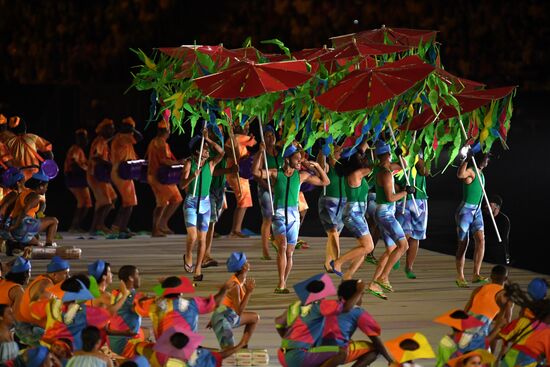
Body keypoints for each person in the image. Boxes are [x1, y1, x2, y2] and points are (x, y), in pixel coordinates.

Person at [252, 143, 330, 294]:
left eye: (301, 159)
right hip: (279, 214)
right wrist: (260, 153)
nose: (300, 161)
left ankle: (284, 281)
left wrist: (317, 167)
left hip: (294, 216)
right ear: (287, 159)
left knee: (289, 253)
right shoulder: (275, 173)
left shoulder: (301, 175)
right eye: (297, 159)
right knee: (281, 247)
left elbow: (325, 182)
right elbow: (255, 172)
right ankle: (281, 283)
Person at [274, 274, 363, 367]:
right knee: (341, 352)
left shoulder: (295, 305)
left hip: (283, 355)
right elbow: (347, 308)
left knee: (320, 352)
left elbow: (278, 322)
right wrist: (359, 290)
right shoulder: (319, 305)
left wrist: (292, 342)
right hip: (298, 357)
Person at [331, 143, 381, 286]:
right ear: (355, 161)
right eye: (361, 157)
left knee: (364, 248)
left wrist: (367, 140)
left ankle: (348, 275)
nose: (364, 158)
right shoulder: (356, 174)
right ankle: (337, 262)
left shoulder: (356, 173)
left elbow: (363, 153)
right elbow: (377, 166)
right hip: (353, 214)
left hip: (357, 213)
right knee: (368, 247)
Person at [369, 141, 412, 299]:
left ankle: (374, 283)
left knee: (390, 250)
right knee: (403, 245)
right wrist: (406, 192)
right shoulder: (385, 173)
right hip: (385, 213)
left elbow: (404, 166)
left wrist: (401, 154)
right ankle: (383, 277)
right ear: (388, 155)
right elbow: (390, 197)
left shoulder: (384, 168)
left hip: (385, 213)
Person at [180, 128, 224, 282]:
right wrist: (193, 176)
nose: (208, 151)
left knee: (202, 239)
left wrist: (209, 139)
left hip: (205, 203)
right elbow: (181, 184)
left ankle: (198, 268)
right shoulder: (189, 163)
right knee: (192, 236)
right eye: (205, 148)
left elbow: (222, 153)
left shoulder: (210, 164)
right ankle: (188, 253)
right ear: (198, 151)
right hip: (191, 202)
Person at [321, 279, 394, 367]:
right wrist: (389, 359)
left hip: (310, 349)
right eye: (362, 295)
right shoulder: (358, 312)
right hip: (334, 351)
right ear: (357, 296)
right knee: (375, 349)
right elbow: (375, 340)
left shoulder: (328, 304)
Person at [14, 256, 69, 346]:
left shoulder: (46, 281)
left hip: (26, 325)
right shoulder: (46, 285)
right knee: (60, 344)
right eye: (65, 274)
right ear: (54, 275)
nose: (68, 277)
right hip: (27, 329)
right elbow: (37, 311)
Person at [492, 282, 550, 366]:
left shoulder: (524, 319)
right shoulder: (547, 332)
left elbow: (500, 335)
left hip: (512, 356)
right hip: (529, 360)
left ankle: (499, 358)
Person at [209, 252, 259, 349]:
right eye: (246, 261)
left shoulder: (239, 280)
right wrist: (248, 292)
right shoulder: (235, 286)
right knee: (228, 351)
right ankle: (202, 351)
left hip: (227, 315)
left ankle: (243, 344)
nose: (248, 262)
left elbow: (222, 297)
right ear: (243, 267)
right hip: (223, 319)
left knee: (255, 318)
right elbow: (238, 312)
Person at [455, 150, 490, 287]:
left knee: (481, 240)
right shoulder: (471, 171)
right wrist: (466, 160)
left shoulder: (481, 174)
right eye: (486, 159)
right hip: (465, 212)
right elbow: (460, 175)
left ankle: (476, 274)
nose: (487, 161)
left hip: (477, 211)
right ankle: (460, 277)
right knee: (463, 244)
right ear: (480, 159)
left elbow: (479, 193)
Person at [145, 119, 183, 237]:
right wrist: (178, 163)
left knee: (177, 198)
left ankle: (162, 224)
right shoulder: (161, 143)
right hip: (158, 177)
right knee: (162, 203)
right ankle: (155, 229)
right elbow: (164, 160)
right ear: (167, 131)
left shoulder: (154, 141)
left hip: (164, 177)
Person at [462, 265, 513, 352]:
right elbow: (506, 323)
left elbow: (466, 310)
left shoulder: (479, 289)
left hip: (467, 327)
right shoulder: (505, 296)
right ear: (506, 278)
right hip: (482, 331)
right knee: (496, 329)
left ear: (491, 277)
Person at [395, 152, 429, 280]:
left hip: (420, 200)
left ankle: (409, 267)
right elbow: (392, 178)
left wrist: (418, 158)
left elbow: (425, 172)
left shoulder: (421, 154)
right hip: (404, 199)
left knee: (416, 236)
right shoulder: (397, 153)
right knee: (405, 233)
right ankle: (396, 255)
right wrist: (400, 189)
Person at [110, 117, 143, 237]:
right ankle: (120, 228)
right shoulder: (123, 137)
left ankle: (118, 227)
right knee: (129, 202)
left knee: (128, 202)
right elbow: (140, 137)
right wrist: (132, 129)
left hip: (123, 170)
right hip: (121, 171)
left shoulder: (122, 137)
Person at [9, 169, 59, 246]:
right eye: (46, 187)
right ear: (41, 186)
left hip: (17, 227)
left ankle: (14, 245)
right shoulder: (35, 197)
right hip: (22, 225)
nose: (46, 189)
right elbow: (24, 211)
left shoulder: (25, 191)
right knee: (54, 221)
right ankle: (49, 244)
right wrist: (15, 226)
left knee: (37, 245)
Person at [225, 122, 256, 238]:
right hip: (236, 173)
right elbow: (254, 142)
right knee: (243, 200)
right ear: (238, 128)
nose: (247, 129)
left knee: (244, 201)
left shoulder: (234, 138)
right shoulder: (238, 137)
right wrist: (251, 138)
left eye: (248, 127)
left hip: (238, 172)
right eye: (245, 127)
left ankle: (236, 229)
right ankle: (235, 230)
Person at [317, 144, 346, 273]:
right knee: (333, 232)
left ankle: (328, 263)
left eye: (341, 151)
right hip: (328, 202)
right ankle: (337, 262)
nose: (341, 153)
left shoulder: (344, 168)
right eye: (338, 151)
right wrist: (322, 153)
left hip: (343, 202)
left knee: (334, 235)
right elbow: (320, 165)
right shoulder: (327, 167)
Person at [254, 125, 280, 260]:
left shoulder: (280, 152)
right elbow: (256, 175)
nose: (271, 138)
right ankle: (265, 251)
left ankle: (277, 243)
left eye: (272, 135)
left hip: (279, 190)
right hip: (266, 189)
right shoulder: (262, 154)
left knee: (279, 218)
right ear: (263, 138)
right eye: (268, 136)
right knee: (268, 219)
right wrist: (268, 186)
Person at [87, 118, 117, 235]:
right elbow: (96, 157)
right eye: (110, 128)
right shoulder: (99, 142)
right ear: (104, 130)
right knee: (106, 202)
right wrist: (109, 164)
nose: (112, 130)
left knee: (112, 199)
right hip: (95, 174)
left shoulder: (103, 142)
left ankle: (97, 225)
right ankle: (97, 226)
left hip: (101, 175)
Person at [5, 116, 53, 181]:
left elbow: (6, 160)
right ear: (24, 127)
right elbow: (48, 152)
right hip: (35, 172)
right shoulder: (31, 137)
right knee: (47, 178)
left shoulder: (8, 141)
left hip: (19, 175)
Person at [64, 129, 92, 233]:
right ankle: (74, 226)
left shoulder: (79, 150)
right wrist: (85, 170)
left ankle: (76, 225)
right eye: (83, 138)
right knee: (82, 202)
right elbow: (74, 164)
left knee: (87, 203)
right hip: (75, 178)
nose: (85, 141)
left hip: (79, 178)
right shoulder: (75, 149)